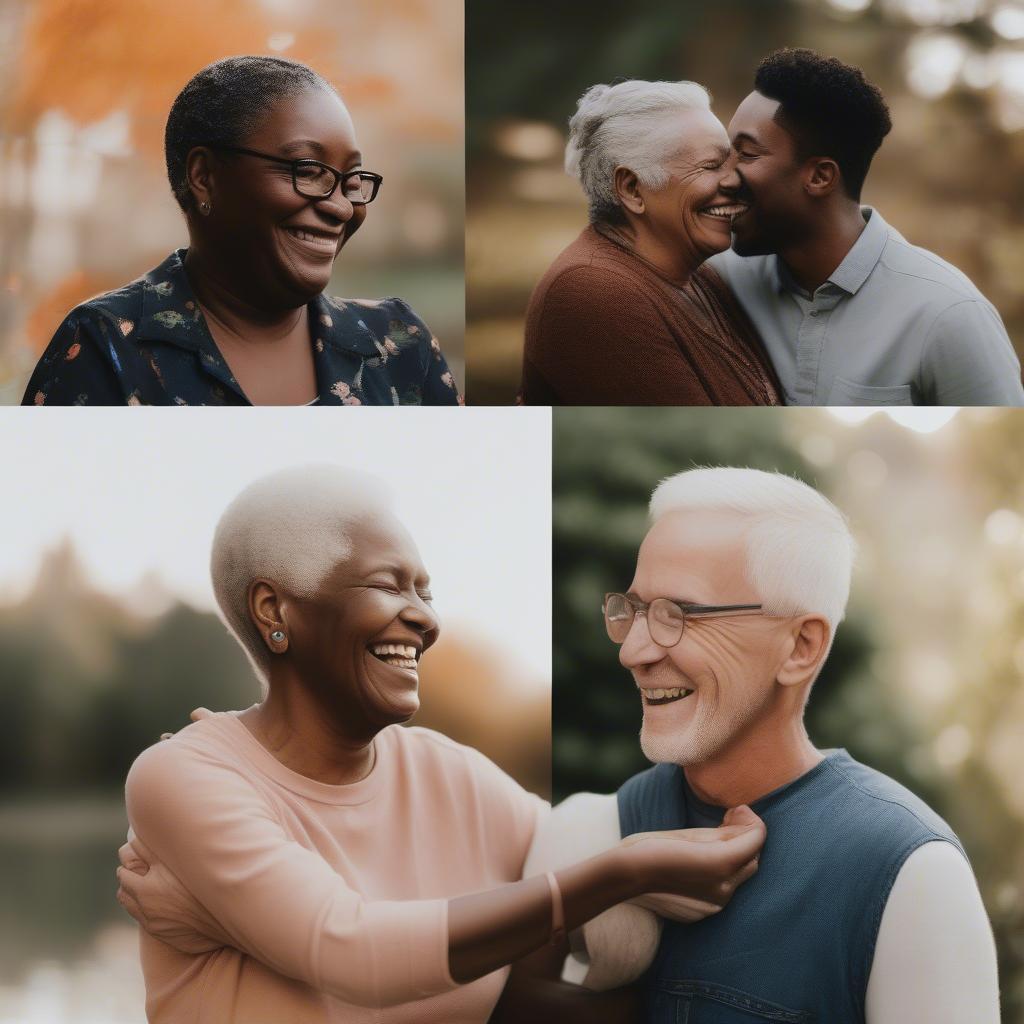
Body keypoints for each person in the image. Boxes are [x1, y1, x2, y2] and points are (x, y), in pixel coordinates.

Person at [113, 465, 766, 1023]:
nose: (424, 617)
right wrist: (624, 873)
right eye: (387, 584)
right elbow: (353, 953)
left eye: (425, 591)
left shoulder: (451, 775)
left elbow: (570, 875)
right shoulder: (185, 777)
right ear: (274, 611)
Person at [532, 468, 999, 1022]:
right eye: (633, 610)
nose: (633, 651)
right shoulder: (584, 837)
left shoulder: (910, 873)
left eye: (679, 615)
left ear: (801, 645)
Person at [22, 57, 462, 406]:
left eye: (352, 180)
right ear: (204, 176)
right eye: (308, 171)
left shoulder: (401, 343)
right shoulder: (105, 346)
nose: (341, 205)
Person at [709, 48, 1024, 407]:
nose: (722, 176)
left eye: (746, 154)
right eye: (725, 153)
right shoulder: (716, 281)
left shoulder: (948, 315)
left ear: (819, 176)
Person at [519, 80, 781, 406]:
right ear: (631, 188)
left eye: (732, 163)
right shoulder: (591, 291)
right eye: (712, 166)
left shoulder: (702, 277)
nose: (734, 180)